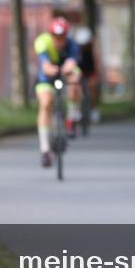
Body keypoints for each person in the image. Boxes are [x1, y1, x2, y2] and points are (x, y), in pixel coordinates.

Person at [33, 17, 82, 168]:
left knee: (75, 80)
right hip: (46, 75)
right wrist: (50, 69)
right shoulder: (42, 42)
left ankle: (72, 116)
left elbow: (72, 62)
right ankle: (45, 149)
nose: (59, 41)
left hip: (65, 71)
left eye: (62, 38)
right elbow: (45, 64)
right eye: (56, 37)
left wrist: (68, 69)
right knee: (46, 103)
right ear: (50, 35)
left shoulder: (73, 45)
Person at [75, 27, 101, 124]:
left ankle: (94, 109)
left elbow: (97, 61)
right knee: (76, 88)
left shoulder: (93, 47)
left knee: (92, 88)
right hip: (79, 70)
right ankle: (77, 109)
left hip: (90, 70)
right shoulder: (76, 48)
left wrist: (98, 74)